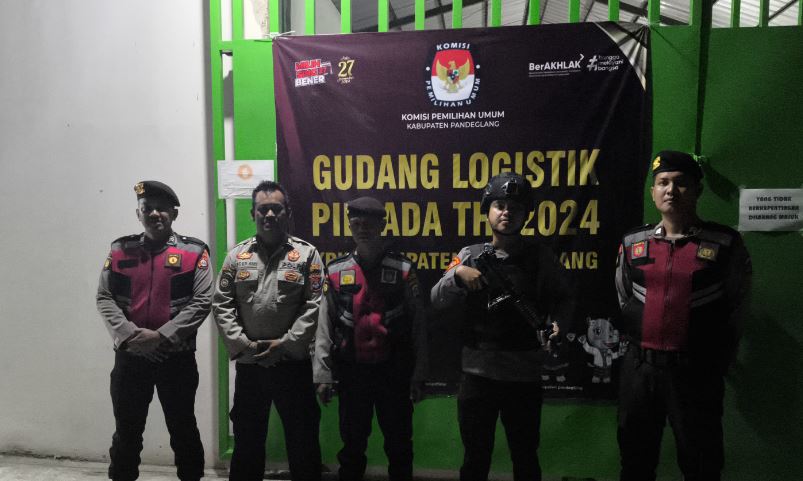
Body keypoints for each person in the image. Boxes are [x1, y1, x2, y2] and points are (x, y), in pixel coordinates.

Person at [615, 150, 752, 481]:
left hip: (695, 371)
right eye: (662, 183)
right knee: (635, 461)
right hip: (640, 371)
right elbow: (623, 296)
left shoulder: (725, 243)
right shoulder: (633, 242)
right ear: (653, 192)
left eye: (681, 183)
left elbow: (738, 305)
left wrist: (719, 358)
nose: (671, 191)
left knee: (701, 463)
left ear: (697, 190)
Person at [430, 172, 571, 481]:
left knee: (525, 458)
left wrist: (559, 325)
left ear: (526, 215)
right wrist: (457, 275)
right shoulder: (469, 255)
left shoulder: (541, 257)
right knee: (475, 458)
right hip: (477, 375)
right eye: (500, 205)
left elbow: (564, 299)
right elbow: (436, 298)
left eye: (515, 208)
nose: (507, 212)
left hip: (523, 375)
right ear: (488, 210)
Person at [97, 180, 211, 481]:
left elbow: (202, 301)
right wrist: (130, 337)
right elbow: (105, 297)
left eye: (162, 208)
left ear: (174, 213)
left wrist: (161, 337)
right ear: (138, 213)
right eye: (147, 208)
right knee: (127, 431)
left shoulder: (194, 251)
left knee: (183, 428)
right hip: (131, 358)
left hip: (176, 359)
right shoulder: (120, 250)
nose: (154, 214)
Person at [213, 180, 323, 481]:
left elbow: (315, 305)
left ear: (288, 212)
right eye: (263, 209)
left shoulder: (307, 255)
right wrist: (246, 347)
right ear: (253, 214)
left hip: (292, 365)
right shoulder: (237, 256)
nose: (270, 215)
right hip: (251, 365)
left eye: (276, 208)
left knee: (303, 442)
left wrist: (285, 345)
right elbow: (221, 304)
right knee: (247, 443)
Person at [313, 196, 428, 481]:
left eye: (370, 222)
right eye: (356, 222)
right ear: (349, 225)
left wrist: (419, 374)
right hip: (353, 374)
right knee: (352, 449)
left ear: (382, 225)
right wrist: (322, 375)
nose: (363, 228)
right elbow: (324, 325)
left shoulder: (403, 269)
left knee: (400, 447)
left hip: (394, 372)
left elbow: (418, 324)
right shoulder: (336, 270)